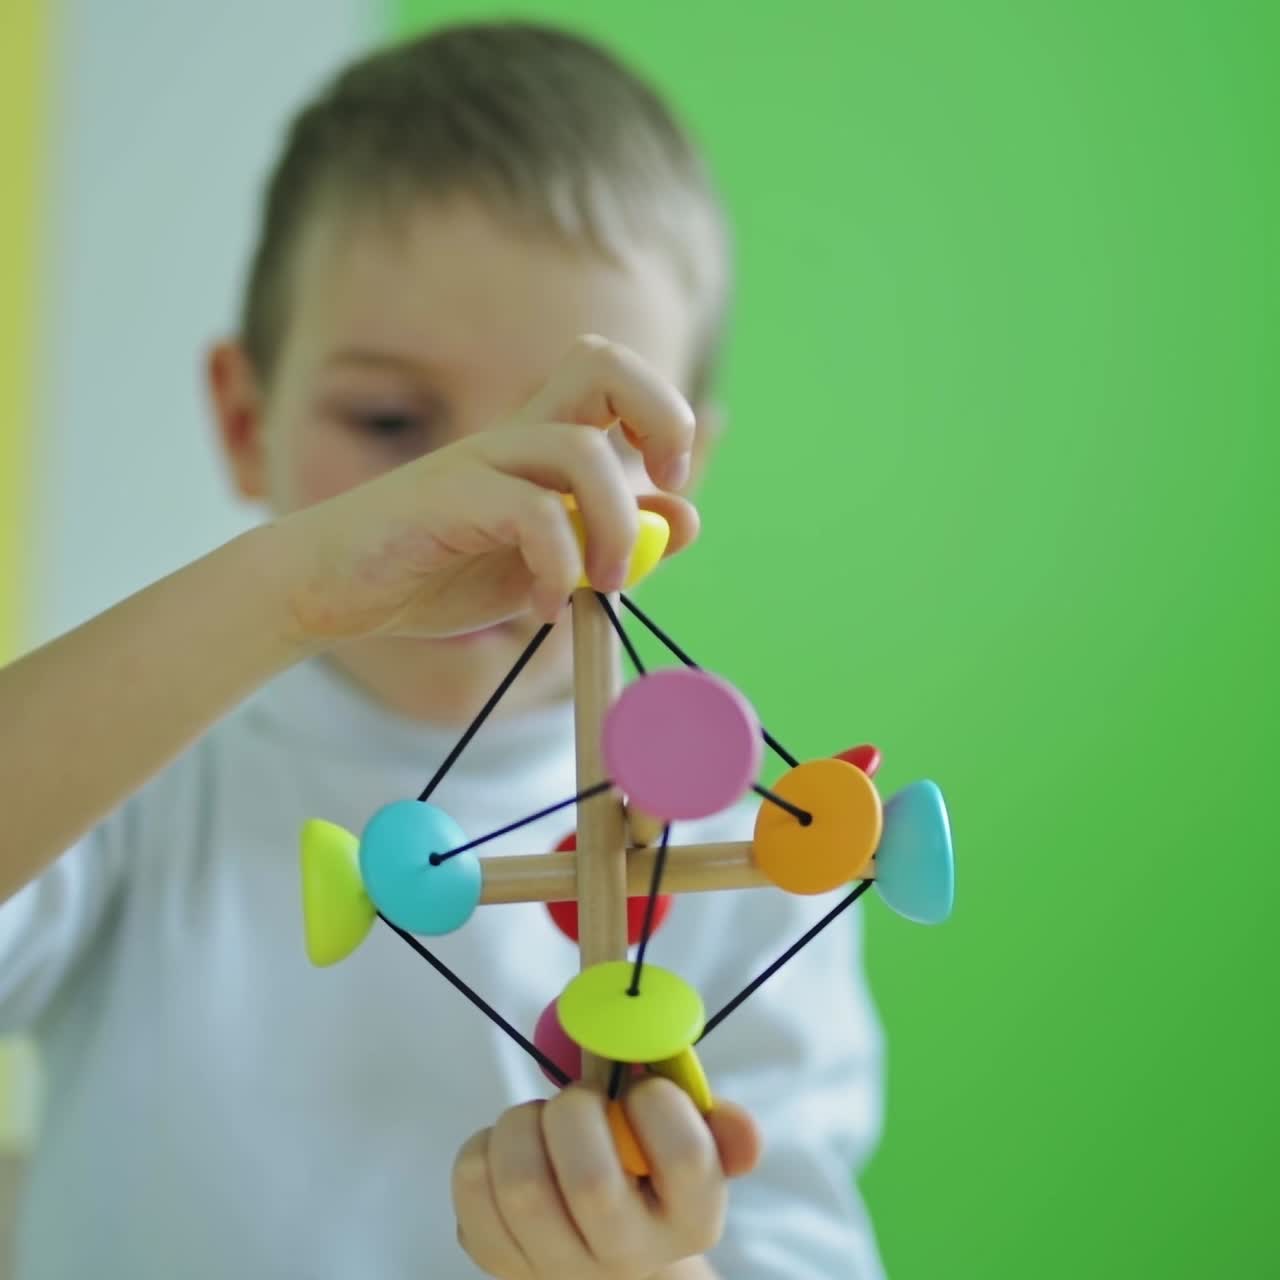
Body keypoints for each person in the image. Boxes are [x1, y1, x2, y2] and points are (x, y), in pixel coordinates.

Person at [0, 21, 883, 1280]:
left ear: (681, 477)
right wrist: (295, 589)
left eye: (587, 442)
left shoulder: (757, 869)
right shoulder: (140, 762)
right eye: (391, 420)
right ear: (245, 421)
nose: (480, 500)